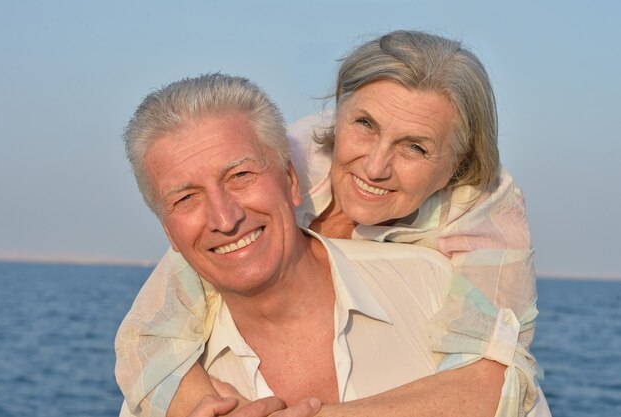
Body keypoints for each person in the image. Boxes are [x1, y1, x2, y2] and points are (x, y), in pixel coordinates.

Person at [116, 30, 540, 417]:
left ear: (457, 165)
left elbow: (498, 380)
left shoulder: (482, 215)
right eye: (364, 125)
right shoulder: (292, 152)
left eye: (414, 147)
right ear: (338, 114)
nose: (375, 167)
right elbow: (146, 337)